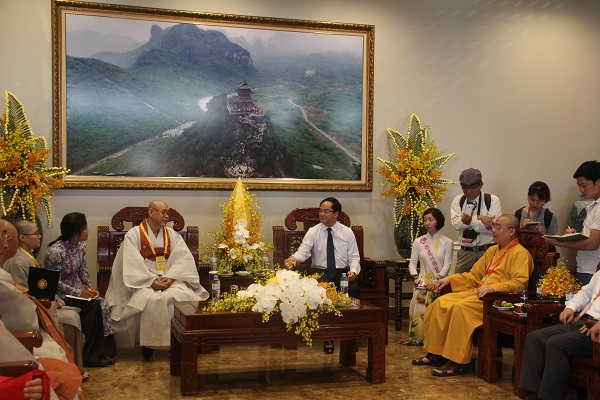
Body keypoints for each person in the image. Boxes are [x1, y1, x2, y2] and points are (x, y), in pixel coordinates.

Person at [412, 214, 533, 376]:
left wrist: (492, 288)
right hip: (477, 293)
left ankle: (458, 361)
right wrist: (449, 279)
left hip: (496, 299)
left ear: (511, 231)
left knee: (459, 309)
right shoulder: (492, 250)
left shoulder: (520, 254)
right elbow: (474, 276)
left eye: (498, 227)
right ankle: (436, 354)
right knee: (440, 303)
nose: (493, 230)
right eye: (494, 226)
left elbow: (519, 283)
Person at [106, 200, 208, 360]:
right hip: (142, 279)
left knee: (180, 296)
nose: (166, 216)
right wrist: (150, 281)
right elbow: (130, 263)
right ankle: (149, 345)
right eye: (163, 212)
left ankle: (174, 343)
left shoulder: (172, 235)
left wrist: (172, 277)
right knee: (152, 299)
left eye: (168, 213)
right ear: (151, 212)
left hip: (169, 278)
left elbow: (182, 259)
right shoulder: (133, 234)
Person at [0, 220, 84, 400]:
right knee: (62, 342)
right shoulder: (16, 264)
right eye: (35, 233)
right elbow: (24, 316)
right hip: (25, 338)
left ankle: (79, 367)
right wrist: (43, 303)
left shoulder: (26, 257)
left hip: (37, 316)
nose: (39, 236)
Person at [285, 197, 361, 354]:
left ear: (336, 214)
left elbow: (354, 257)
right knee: (322, 292)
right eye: (320, 210)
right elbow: (303, 252)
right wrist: (293, 258)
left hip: (343, 272)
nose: (322, 214)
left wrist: (353, 271)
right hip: (320, 272)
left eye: (326, 211)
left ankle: (351, 338)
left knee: (353, 292)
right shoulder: (313, 231)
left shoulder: (347, 232)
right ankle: (329, 338)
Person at [43, 213, 116, 368]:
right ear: (76, 233)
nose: (88, 230)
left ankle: (101, 352)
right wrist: (79, 293)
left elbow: (83, 270)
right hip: (60, 295)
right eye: (86, 228)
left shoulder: (80, 246)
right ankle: (90, 355)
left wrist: (90, 288)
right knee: (94, 307)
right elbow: (53, 281)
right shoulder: (55, 251)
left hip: (76, 291)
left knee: (101, 302)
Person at [519, 268, 600, 400]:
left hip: (595, 329)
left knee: (556, 344)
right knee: (535, 337)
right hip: (582, 320)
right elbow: (584, 294)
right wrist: (570, 307)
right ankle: (533, 393)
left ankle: (549, 397)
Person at [402, 208, 453, 346]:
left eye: (431, 219)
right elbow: (412, 264)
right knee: (419, 309)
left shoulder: (447, 242)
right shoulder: (419, 241)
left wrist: (437, 281)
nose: (427, 223)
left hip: (439, 282)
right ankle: (419, 338)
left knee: (436, 311)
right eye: (425, 220)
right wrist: (415, 277)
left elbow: (447, 265)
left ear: (438, 221)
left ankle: (435, 340)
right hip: (422, 281)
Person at [545, 161, 600, 286]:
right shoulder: (593, 206)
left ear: (598, 182)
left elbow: (593, 243)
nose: (581, 190)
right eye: (579, 186)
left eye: (584, 185)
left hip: (593, 270)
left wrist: (560, 243)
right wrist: (576, 234)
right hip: (586, 268)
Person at [450, 168, 502, 274]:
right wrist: (479, 218)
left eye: (473, 188)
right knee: (458, 283)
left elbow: (493, 227)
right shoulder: (458, 200)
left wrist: (470, 221)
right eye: (464, 188)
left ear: (481, 185)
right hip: (466, 252)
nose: (469, 192)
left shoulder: (492, 200)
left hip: (487, 250)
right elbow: (456, 224)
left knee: (487, 283)